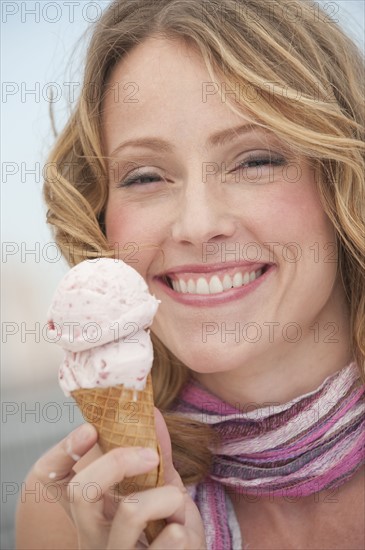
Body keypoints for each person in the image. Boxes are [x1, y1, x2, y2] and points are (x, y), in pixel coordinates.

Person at [16, 0, 364, 548]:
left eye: (255, 161)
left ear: (344, 179)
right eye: (147, 175)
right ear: (99, 213)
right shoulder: (71, 510)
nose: (198, 226)